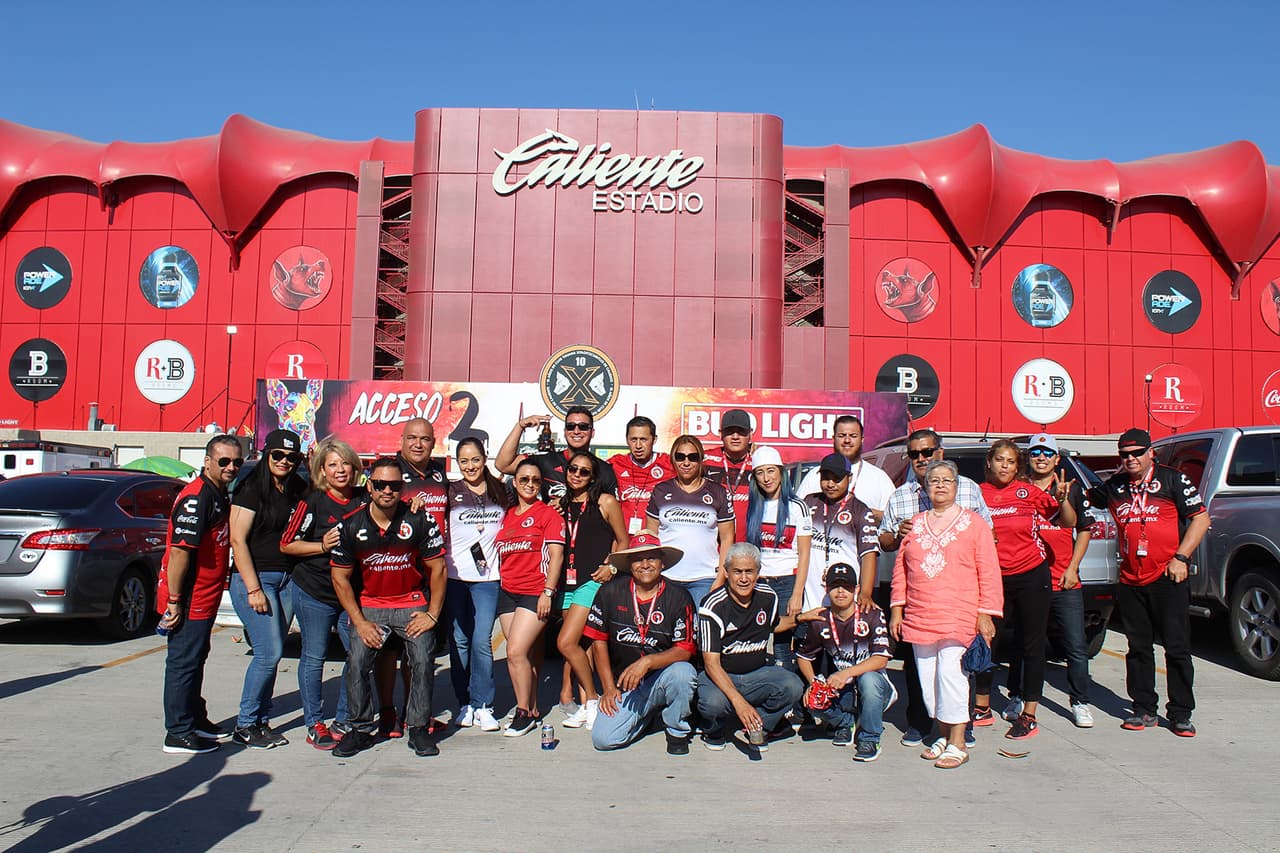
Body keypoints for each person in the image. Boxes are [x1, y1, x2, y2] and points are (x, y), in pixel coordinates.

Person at [1087, 428, 1209, 736]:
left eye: (1136, 453)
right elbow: (1084, 503)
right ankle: (1143, 708)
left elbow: (1201, 518)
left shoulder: (1172, 479)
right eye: (1124, 455)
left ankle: (1181, 712)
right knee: (1138, 648)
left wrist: (1181, 558)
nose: (1130, 459)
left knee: (1177, 648)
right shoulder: (1114, 486)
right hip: (1130, 578)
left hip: (1168, 575)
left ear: (1149, 452)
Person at [878, 428, 992, 746]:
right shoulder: (903, 498)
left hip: (959, 605)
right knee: (923, 674)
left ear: (939, 452)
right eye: (914, 454)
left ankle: (959, 732)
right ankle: (929, 727)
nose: (922, 459)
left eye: (927, 452)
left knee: (954, 672)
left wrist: (985, 611)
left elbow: (987, 549)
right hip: (919, 605)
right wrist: (896, 609)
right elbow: (889, 547)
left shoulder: (969, 494)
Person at [329, 457, 447, 758]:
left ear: (402, 488)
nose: (387, 491)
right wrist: (359, 621)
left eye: (394, 485)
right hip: (370, 605)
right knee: (356, 661)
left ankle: (418, 728)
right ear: (370, 486)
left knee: (422, 658)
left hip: (411, 602)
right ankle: (360, 729)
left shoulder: (419, 519)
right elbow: (340, 578)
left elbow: (438, 569)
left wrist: (432, 614)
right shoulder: (351, 525)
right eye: (380, 484)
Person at [974, 439, 1066, 741]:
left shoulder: (1028, 492)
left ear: (1018, 466)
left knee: (1032, 645)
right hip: (993, 578)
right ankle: (982, 707)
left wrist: (1063, 500)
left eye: (1011, 461)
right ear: (989, 462)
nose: (1004, 465)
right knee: (988, 641)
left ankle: (1028, 715)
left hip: (1031, 574)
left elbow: (1065, 520)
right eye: (999, 459)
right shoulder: (977, 493)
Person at [157, 434, 242, 754]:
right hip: (188, 597)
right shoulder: (197, 498)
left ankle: (194, 717)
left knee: (196, 659)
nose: (231, 467)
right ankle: (177, 731)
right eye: (224, 461)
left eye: (237, 461)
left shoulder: (217, 493)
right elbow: (180, 553)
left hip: (206, 597)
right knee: (183, 662)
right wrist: (175, 601)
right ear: (207, 462)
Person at [280, 436, 365, 750]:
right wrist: (321, 546)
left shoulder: (363, 498)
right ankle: (314, 722)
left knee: (356, 655)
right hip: (313, 590)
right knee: (314, 657)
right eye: (333, 465)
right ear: (322, 471)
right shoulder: (313, 500)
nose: (340, 470)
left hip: (351, 594)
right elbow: (287, 543)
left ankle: (344, 718)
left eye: (345, 463)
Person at [228, 429, 308, 749]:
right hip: (257, 580)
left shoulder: (296, 487)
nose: (284, 461)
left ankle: (261, 719)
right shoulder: (250, 489)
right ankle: (245, 724)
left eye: (292, 457)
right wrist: (253, 589)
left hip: (287, 580)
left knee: (271, 656)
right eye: (278, 455)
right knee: (269, 652)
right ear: (266, 454)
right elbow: (237, 540)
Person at [585, 533, 698, 754]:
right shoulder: (609, 592)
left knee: (684, 673)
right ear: (629, 564)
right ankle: (646, 718)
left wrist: (647, 662)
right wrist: (608, 688)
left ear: (662, 563)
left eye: (652, 558)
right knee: (603, 739)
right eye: (638, 559)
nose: (645, 565)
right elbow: (598, 641)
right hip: (625, 685)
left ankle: (676, 731)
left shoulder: (679, 597)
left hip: (662, 678)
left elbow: (685, 650)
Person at [376, 417, 450, 738]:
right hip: (396, 570)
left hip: (429, 571)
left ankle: (412, 711)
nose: (418, 444)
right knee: (388, 649)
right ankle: (387, 712)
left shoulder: (438, 473)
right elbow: (375, 506)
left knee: (418, 648)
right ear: (402, 439)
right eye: (412, 438)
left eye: (425, 439)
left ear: (434, 443)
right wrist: (404, 505)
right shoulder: (392, 471)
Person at [696, 543, 805, 752]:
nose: (744, 578)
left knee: (793, 686)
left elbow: (774, 625)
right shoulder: (712, 605)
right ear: (726, 573)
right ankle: (715, 728)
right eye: (737, 572)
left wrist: (800, 619)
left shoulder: (768, 596)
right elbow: (711, 664)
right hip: (719, 675)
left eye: (749, 571)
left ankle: (758, 724)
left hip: (756, 673)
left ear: (758, 573)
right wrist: (739, 702)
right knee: (713, 704)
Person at [1025, 433, 1096, 728]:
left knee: (1075, 646)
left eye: (1047, 453)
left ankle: (1079, 702)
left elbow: (1083, 529)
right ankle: (1022, 697)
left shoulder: (1072, 488)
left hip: (1064, 582)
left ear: (1056, 459)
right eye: (1035, 452)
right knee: (1027, 645)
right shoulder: (1019, 489)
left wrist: (1073, 567)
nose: (1041, 457)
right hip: (1029, 581)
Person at [555, 451, 628, 730]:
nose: (576, 475)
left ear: (593, 477)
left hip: (592, 582)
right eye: (573, 469)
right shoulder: (561, 504)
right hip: (566, 583)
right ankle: (587, 705)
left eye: (584, 471)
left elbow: (623, 540)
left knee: (565, 643)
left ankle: (593, 699)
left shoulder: (605, 502)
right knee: (580, 645)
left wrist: (610, 567)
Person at [795, 563, 895, 761]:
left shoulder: (872, 614)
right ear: (826, 589)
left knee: (869, 679)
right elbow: (803, 656)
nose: (841, 592)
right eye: (835, 586)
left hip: (873, 685)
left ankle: (869, 738)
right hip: (842, 687)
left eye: (847, 587)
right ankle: (845, 722)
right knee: (812, 698)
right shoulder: (820, 619)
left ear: (856, 590)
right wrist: (813, 681)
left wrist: (846, 673)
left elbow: (881, 659)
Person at [443, 437, 509, 733]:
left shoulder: (501, 490)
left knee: (481, 641)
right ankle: (464, 702)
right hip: (455, 577)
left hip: (488, 579)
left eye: (475, 459)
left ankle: (484, 704)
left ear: (485, 458)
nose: (470, 466)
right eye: (464, 461)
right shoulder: (450, 491)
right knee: (459, 641)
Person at [495, 459, 566, 737]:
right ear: (515, 482)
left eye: (535, 480)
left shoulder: (549, 514)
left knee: (514, 651)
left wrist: (548, 591)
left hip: (534, 591)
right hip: (507, 591)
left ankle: (522, 712)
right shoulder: (508, 514)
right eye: (524, 479)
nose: (529, 484)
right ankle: (530, 707)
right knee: (522, 656)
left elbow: (556, 557)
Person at [645, 434, 735, 606]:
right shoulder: (661, 490)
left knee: (702, 631)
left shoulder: (717, 492)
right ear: (673, 459)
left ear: (701, 459)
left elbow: (727, 538)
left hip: (704, 578)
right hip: (666, 576)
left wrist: (720, 578)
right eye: (680, 457)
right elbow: (651, 537)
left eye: (692, 457)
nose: (686, 463)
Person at [745, 446, 810, 681]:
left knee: (784, 648)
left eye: (771, 471)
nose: (766, 478)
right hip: (760, 583)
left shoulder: (797, 506)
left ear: (781, 472)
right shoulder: (754, 506)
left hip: (786, 582)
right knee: (758, 643)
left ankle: (793, 707)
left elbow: (804, 555)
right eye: (760, 473)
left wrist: (796, 594)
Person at [802, 452, 880, 612]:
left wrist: (865, 592)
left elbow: (869, 555)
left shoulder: (861, 510)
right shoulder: (809, 502)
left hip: (844, 600)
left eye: (837, 478)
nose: (830, 484)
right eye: (825, 477)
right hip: (809, 601)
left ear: (849, 478)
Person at [495, 406, 617, 501]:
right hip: (551, 531)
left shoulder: (604, 470)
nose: (576, 431)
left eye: (583, 427)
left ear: (592, 432)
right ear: (565, 432)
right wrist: (520, 426)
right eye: (570, 426)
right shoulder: (546, 461)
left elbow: (612, 511)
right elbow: (503, 465)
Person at [796, 415, 895, 523]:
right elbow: (795, 515)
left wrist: (869, 514)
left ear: (862, 439)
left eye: (853, 436)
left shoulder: (879, 478)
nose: (847, 440)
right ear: (833, 439)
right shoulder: (814, 475)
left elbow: (894, 520)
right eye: (842, 435)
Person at [608, 415, 672, 536]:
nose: (638, 446)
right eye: (633, 439)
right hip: (624, 540)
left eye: (643, 439)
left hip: (656, 540)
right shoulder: (615, 463)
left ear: (654, 439)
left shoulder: (668, 463)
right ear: (627, 440)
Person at [704, 408, 754, 543]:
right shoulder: (704, 459)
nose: (735, 437)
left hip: (747, 546)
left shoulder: (759, 463)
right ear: (720, 434)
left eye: (741, 432)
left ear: (750, 433)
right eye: (729, 432)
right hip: (711, 546)